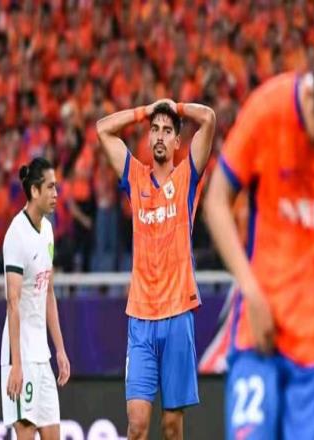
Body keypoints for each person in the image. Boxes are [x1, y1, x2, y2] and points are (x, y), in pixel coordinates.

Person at [204, 55, 314, 440]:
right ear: (311, 97)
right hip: (259, 333)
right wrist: (251, 291)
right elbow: (215, 201)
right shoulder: (267, 110)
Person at [97, 99, 215, 439]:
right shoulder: (135, 177)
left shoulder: (187, 176)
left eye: (166, 131)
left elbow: (208, 118)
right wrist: (144, 111)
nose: (160, 136)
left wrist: (176, 106)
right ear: (148, 138)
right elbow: (103, 129)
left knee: (172, 426)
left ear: (177, 141)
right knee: (136, 425)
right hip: (141, 318)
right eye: (155, 130)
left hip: (178, 313)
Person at [0, 157, 70, 439]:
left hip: (42, 355)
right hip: (21, 355)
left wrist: (60, 350)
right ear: (34, 191)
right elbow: (13, 301)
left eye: (56, 187)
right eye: (50, 187)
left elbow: (48, 292)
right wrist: (16, 364)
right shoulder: (16, 235)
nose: (56, 194)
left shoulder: (48, 231)